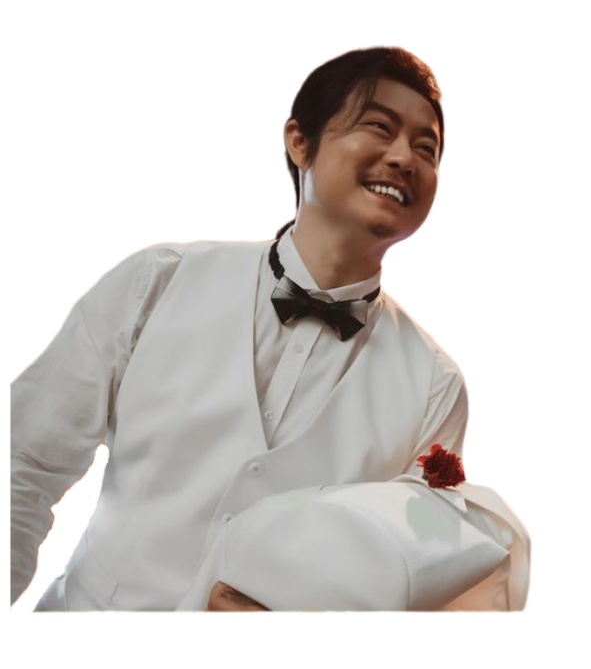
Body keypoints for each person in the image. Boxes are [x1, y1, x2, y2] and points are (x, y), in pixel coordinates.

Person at [10, 46, 529, 611]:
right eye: (379, 127)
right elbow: (21, 468)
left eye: (427, 148)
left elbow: (412, 577)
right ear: (299, 142)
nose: (405, 157)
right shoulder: (156, 283)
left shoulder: (435, 386)